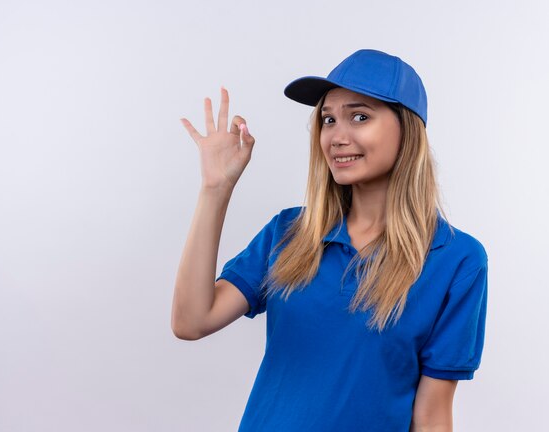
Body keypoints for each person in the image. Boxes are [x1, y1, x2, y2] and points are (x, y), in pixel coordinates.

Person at [171, 49, 488, 431]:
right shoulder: (290, 233)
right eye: (328, 119)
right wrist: (214, 189)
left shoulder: (456, 260)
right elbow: (191, 322)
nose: (337, 136)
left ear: (408, 129)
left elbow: (433, 415)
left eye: (360, 116)